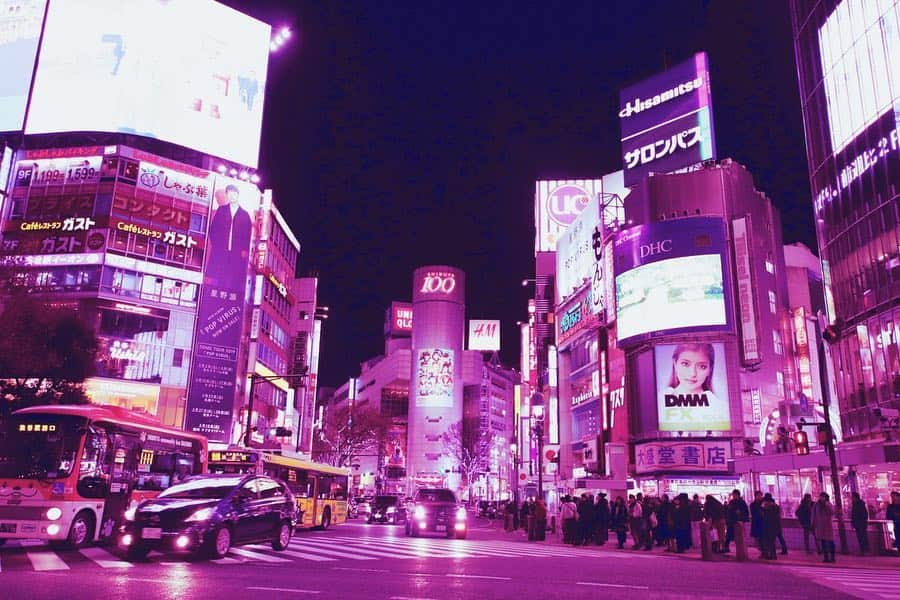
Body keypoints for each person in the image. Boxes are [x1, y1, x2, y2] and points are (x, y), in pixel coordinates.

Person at [660, 344, 729, 430]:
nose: (692, 374)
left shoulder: (721, 408)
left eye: (702, 366)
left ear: (710, 369)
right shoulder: (658, 402)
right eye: (685, 364)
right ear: (675, 363)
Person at [206, 183, 253, 291]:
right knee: (218, 277)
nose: (232, 196)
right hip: (221, 250)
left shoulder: (244, 214)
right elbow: (213, 229)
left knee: (233, 279)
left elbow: (248, 235)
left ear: (238, 195)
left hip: (236, 252)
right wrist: (216, 244)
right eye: (229, 194)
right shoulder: (222, 210)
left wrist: (245, 249)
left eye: (234, 194)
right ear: (227, 195)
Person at [812, 492, 836, 563]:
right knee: (823, 542)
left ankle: (832, 557)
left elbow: (832, 512)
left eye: (823, 497)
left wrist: (826, 504)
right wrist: (813, 523)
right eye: (820, 497)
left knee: (830, 542)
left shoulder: (828, 504)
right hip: (820, 526)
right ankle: (826, 557)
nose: (821, 498)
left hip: (828, 526)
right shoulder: (816, 505)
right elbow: (814, 514)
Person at [759, 493, 782, 560]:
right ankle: (773, 555)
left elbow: (762, 513)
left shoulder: (765, 507)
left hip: (767, 526)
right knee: (772, 541)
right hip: (774, 526)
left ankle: (769, 555)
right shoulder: (776, 506)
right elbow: (778, 516)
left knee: (767, 541)